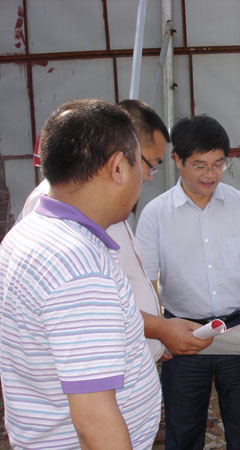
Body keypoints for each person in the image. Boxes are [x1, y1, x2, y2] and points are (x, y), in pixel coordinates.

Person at [0, 99, 162, 448]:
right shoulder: (78, 265)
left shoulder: (28, 232)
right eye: (140, 164)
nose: (143, 177)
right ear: (118, 167)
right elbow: (94, 422)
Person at [19, 99, 210, 363]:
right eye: (149, 163)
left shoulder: (104, 208)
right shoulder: (58, 212)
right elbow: (87, 310)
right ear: (121, 155)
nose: (149, 175)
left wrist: (156, 338)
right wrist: (161, 329)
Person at [136, 115, 240, 449]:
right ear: (177, 160)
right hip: (183, 334)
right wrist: (159, 336)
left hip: (238, 331)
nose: (210, 174)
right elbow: (145, 281)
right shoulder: (156, 213)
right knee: (183, 430)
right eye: (199, 165)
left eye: (218, 164)